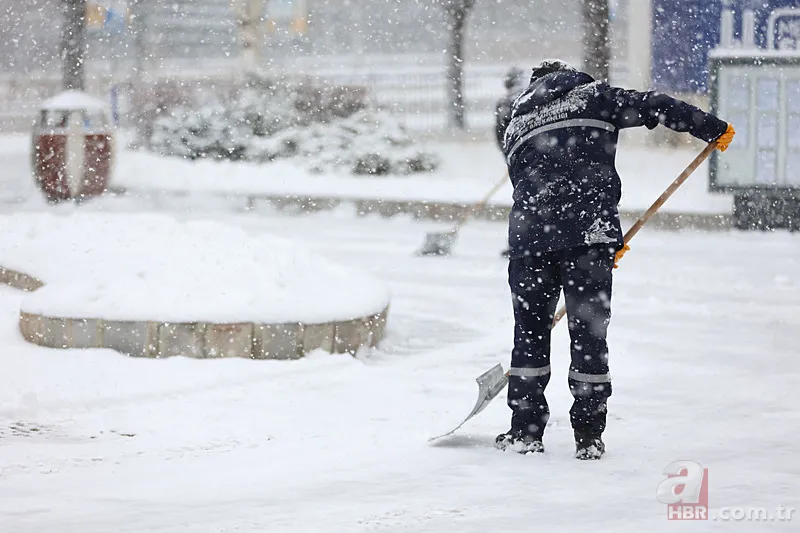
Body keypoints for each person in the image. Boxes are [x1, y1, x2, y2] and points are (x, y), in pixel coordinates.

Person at [495, 59, 735, 459]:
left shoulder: (516, 125)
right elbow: (656, 105)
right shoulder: (593, 96)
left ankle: (525, 431)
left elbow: (536, 184)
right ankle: (588, 436)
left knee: (530, 335)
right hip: (589, 236)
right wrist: (711, 127)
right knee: (589, 338)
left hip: (529, 243)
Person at [495, 67, 529, 258]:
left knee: (523, 202)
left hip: (519, 159)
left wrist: (511, 158)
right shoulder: (532, 96)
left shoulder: (505, 102)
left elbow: (501, 133)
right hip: (538, 158)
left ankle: (519, 243)